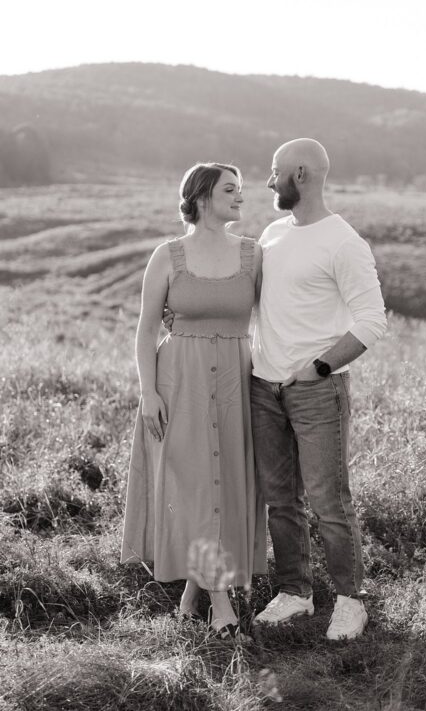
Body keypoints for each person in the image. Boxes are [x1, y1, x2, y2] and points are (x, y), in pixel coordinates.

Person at [121, 163, 267, 639]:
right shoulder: (167, 256)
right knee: (191, 489)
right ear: (202, 196)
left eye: (241, 190)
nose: (240, 198)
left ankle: (191, 597)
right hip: (177, 383)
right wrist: (148, 392)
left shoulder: (254, 255)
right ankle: (221, 603)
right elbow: (144, 331)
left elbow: (276, 319)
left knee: (224, 485)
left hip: (235, 382)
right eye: (231, 190)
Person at [249, 138, 387, 641]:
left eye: (274, 171)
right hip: (263, 388)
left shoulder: (344, 242)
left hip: (315, 391)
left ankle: (351, 600)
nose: (268, 182)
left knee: (330, 500)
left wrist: (319, 368)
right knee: (280, 498)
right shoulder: (271, 234)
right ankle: (295, 593)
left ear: (300, 174)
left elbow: (372, 322)